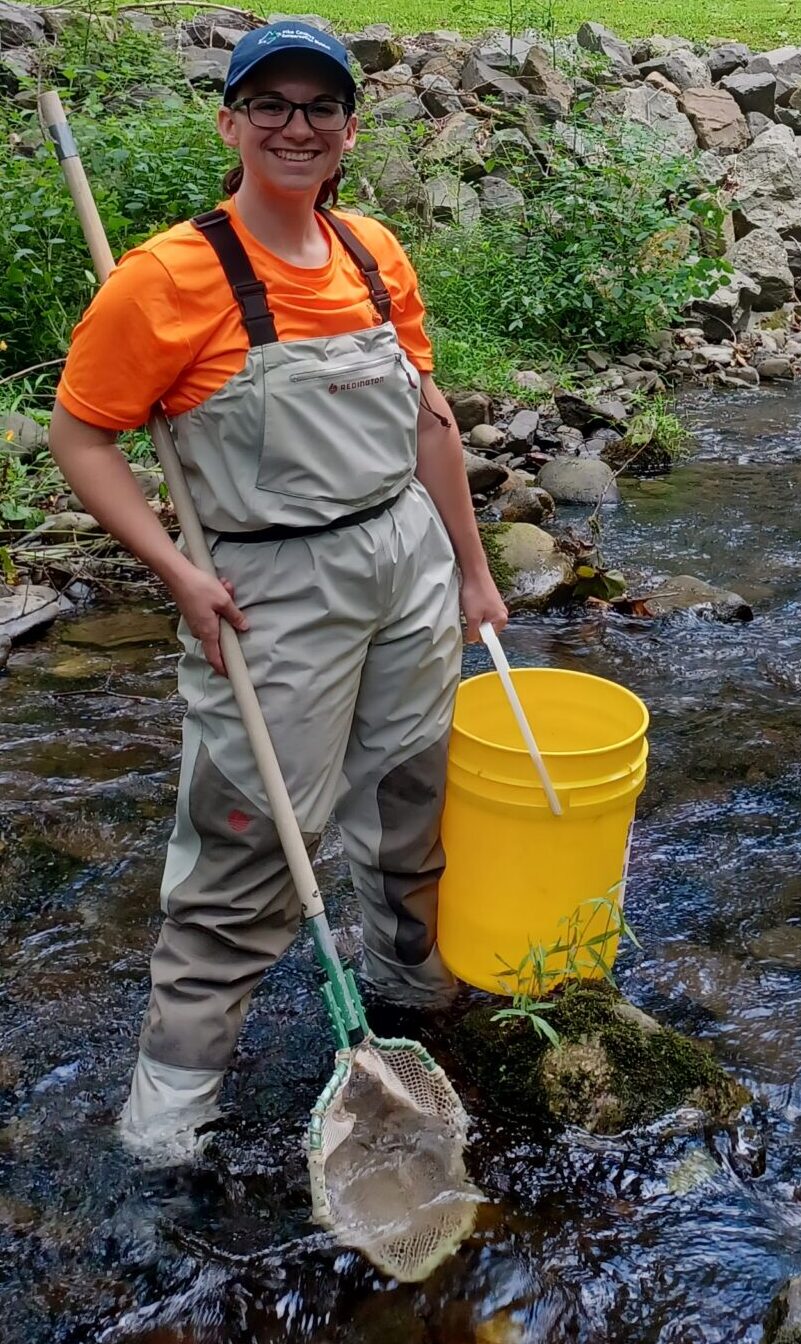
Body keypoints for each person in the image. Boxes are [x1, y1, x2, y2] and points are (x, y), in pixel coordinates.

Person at [49, 22, 508, 1155]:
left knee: (409, 800)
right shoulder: (165, 280)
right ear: (231, 123)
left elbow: (426, 419)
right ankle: (168, 1123)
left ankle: (409, 997)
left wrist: (471, 564)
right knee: (248, 843)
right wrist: (179, 573)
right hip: (268, 587)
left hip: (402, 556)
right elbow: (82, 434)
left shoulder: (373, 254)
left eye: (320, 107)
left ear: (350, 130)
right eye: (272, 105)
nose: (295, 127)